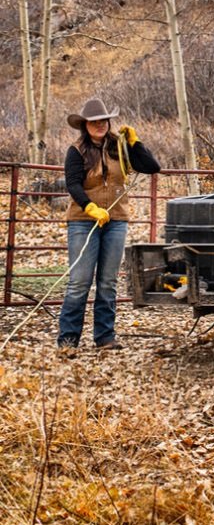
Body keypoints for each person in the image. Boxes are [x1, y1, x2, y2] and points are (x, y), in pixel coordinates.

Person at [57, 98, 160, 354]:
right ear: (85, 125)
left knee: (108, 281)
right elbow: (73, 184)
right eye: (94, 121)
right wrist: (89, 207)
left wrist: (136, 144)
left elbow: (152, 167)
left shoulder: (119, 146)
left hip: (116, 220)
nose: (100, 125)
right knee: (80, 281)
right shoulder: (77, 150)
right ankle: (68, 340)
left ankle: (104, 336)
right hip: (83, 221)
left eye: (103, 120)